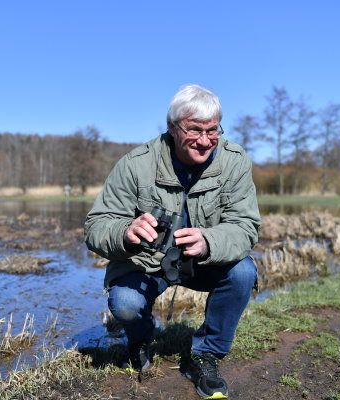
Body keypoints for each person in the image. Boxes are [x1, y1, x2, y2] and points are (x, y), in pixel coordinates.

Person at [84, 84, 260, 399]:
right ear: (172, 128)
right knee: (124, 304)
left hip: (205, 262)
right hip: (148, 265)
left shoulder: (235, 161)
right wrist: (126, 233)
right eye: (194, 130)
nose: (205, 140)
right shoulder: (137, 163)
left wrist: (208, 241)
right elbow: (97, 225)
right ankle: (140, 340)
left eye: (212, 130)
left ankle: (207, 354)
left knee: (244, 272)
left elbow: (245, 226)